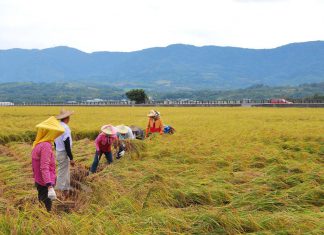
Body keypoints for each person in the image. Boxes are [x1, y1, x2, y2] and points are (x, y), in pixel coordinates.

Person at [31, 116, 65, 212]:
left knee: (42, 204)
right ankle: (45, 224)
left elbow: (34, 166)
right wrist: (49, 186)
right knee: (46, 208)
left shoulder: (38, 144)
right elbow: (44, 167)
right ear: (49, 132)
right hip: (45, 182)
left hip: (39, 181)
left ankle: (42, 220)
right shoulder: (45, 146)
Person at [54, 109, 75, 196]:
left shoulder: (57, 127)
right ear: (66, 118)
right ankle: (58, 192)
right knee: (62, 172)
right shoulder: (65, 128)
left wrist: (57, 150)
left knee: (65, 171)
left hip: (58, 151)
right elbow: (67, 144)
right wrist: (71, 158)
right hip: (63, 152)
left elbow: (54, 142)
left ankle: (66, 188)